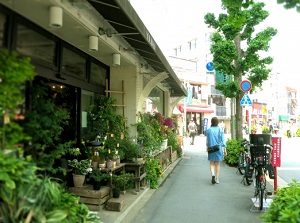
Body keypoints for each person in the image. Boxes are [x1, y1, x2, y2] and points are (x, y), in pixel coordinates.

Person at [206, 117, 227, 184]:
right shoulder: (220, 130)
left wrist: (207, 146)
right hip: (218, 148)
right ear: (218, 123)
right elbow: (223, 141)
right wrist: (225, 149)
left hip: (211, 148)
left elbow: (207, 141)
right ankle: (217, 179)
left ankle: (213, 174)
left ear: (211, 122)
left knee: (211, 163)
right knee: (217, 164)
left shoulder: (209, 130)